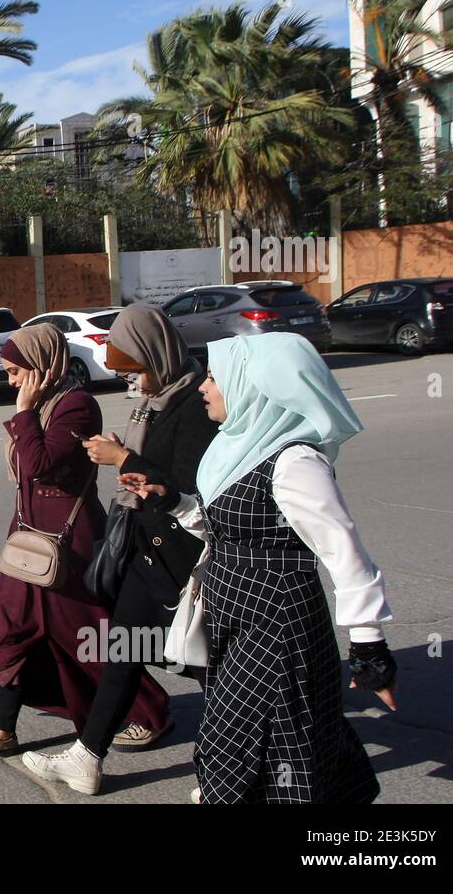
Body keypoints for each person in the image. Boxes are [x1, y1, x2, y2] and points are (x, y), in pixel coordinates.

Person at [120, 333, 397, 804]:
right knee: (267, 737)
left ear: (254, 385)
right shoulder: (237, 447)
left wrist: (369, 647)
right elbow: (226, 526)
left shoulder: (295, 461)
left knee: (247, 742)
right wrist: (173, 501)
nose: (204, 387)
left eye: (214, 377)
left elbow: (345, 551)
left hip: (277, 621)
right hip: (234, 614)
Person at [20, 304, 218, 795]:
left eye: (139, 372)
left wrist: (126, 457)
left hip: (183, 561)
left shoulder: (196, 404)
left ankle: (229, 772)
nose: (136, 383)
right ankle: (86, 758)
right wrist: (125, 458)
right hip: (145, 554)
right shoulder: (153, 402)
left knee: (209, 666)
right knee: (124, 654)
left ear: (158, 354)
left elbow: (191, 485)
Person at [0, 323, 170, 759]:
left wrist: (25, 412)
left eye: (16, 372)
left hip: (69, 543)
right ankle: (2, 730)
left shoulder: (77, 405)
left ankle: (150, 712)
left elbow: (39, 465)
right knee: (14, 631)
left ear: (42, 365)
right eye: (9, 373)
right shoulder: (45, 405)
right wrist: (28, 412)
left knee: (87, 635)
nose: (12, 381)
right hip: (27, 540)